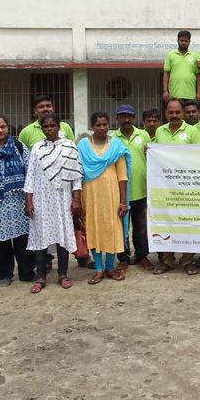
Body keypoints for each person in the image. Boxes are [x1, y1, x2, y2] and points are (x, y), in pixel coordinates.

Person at [24, 113, 82, 293]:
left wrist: (76, 199)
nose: (49, 129)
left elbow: (76, 176)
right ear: (42, 129)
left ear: (59, 126)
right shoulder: (37, 148)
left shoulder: (69, 146)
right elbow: (30, 175)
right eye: (46, 126)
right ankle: (41, 276)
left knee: (62, 236)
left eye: (52, 125)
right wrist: (28, 201)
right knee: (41, 237)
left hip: (63, 199)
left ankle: (63, 274)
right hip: (41, 200)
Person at [0, 113, 35, 287]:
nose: (0, 130)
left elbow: (30, 170)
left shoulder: (18, 146)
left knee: (23, 238)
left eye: (3, 126)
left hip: (18, 200)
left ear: (8, 128)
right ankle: (4, 274)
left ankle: (27, 272)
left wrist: (30, 198)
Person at [78, 112, 130, 284]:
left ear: (109, 125)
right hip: (90, 195)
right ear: (92, 126)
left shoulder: (116, 146)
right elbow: (78, 173)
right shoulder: (83, 146)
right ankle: (98, 269)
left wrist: (123, 201)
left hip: (112, 196)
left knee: (111, 229)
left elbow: (122, 176)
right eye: (98, 125)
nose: (102, 128)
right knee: (93, 229)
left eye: (105, 124)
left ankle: (110, 267)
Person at [151, 99, 197, 274]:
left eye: (177, 112)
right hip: (165, 187)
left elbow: (199, 156)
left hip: (187, 187)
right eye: (171, 113)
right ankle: (167, 260)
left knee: (187, 224)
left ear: (182, 113)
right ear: (166, 114)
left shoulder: (193, 131)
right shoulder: (160, 131)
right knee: (166, 222)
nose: (174, 115)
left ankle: (187, 260)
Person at [111, 104, 152, 269]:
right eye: (122, 116)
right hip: (120, 192)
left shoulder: (144, 135)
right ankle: (123, 258)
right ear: (117, 119)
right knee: (121, 227)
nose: (126, 119)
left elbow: (152, 158)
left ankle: (142, 256)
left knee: (140, 226)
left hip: (140, 189)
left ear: (134, 118)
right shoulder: (112, 138)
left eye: (129, 116)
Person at [163, 30, 200, 103]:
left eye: (186, 41)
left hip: (190, 95)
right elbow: (166, 74)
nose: (183, 42)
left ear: (189, 41)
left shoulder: (195, 56)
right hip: (174, 94)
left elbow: (198, 75)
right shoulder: (170, 55)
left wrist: (198, 92)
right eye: (181, 40)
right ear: (177, 41)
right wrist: (165, 91)